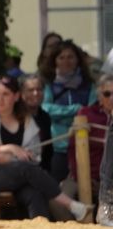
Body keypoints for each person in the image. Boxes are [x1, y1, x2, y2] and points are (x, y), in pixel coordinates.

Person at [0, 75, 90, 222]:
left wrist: (11, 159)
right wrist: (9, 149)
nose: (0, 99)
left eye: (5, 94)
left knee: (35, 193)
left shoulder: (26, 119)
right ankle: (70, 204)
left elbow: (35, 156)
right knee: (24, 168)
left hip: (20, 175)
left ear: (16, 96)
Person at [41, 39, 96, 181]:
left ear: (77, 60)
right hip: (59, 147)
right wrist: (75, 109)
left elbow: (90, 112)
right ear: (55, 61)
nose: (66, 61)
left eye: (70, 57)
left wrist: (59, 114)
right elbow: (46, 109)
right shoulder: (49, 85)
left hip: (85, 145)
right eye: (62, 57)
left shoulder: (89, 85)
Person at [67, 73, 113, 202]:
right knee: (61, 200)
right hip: (85, 176)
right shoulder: (86, 114)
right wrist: (84, 179)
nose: (112, 98)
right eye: (107, 94)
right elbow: (73, 151)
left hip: (109, 181)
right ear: (99, 97)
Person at [19, 74, 54, 173]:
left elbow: (48, 151)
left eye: (39, 89)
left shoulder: (45, 117)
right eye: (30, 90)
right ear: (21, 93)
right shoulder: (14, 117)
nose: (35, 93)